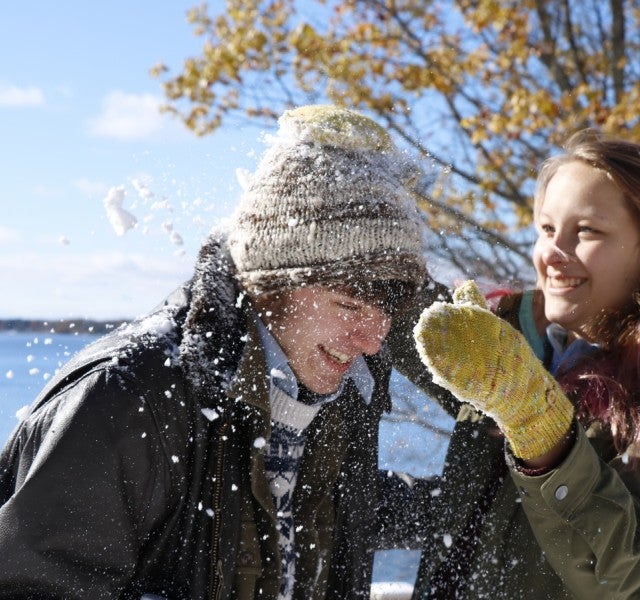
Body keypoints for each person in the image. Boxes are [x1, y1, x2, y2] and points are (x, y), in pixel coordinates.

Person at [0, 105, 429, 599]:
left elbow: (316, 506)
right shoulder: (127, 401)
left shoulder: (339, 382)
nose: (373, 340)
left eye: (387, 311)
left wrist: (481, 486)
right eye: (349, 305)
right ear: (272, 283)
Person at [407, 129, 640, 599]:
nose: (551, 253)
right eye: (547, 229)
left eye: (586, 231)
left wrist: (544, 435)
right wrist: (362, 212)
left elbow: (636, 575)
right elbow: (391, 319)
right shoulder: (506, 348)